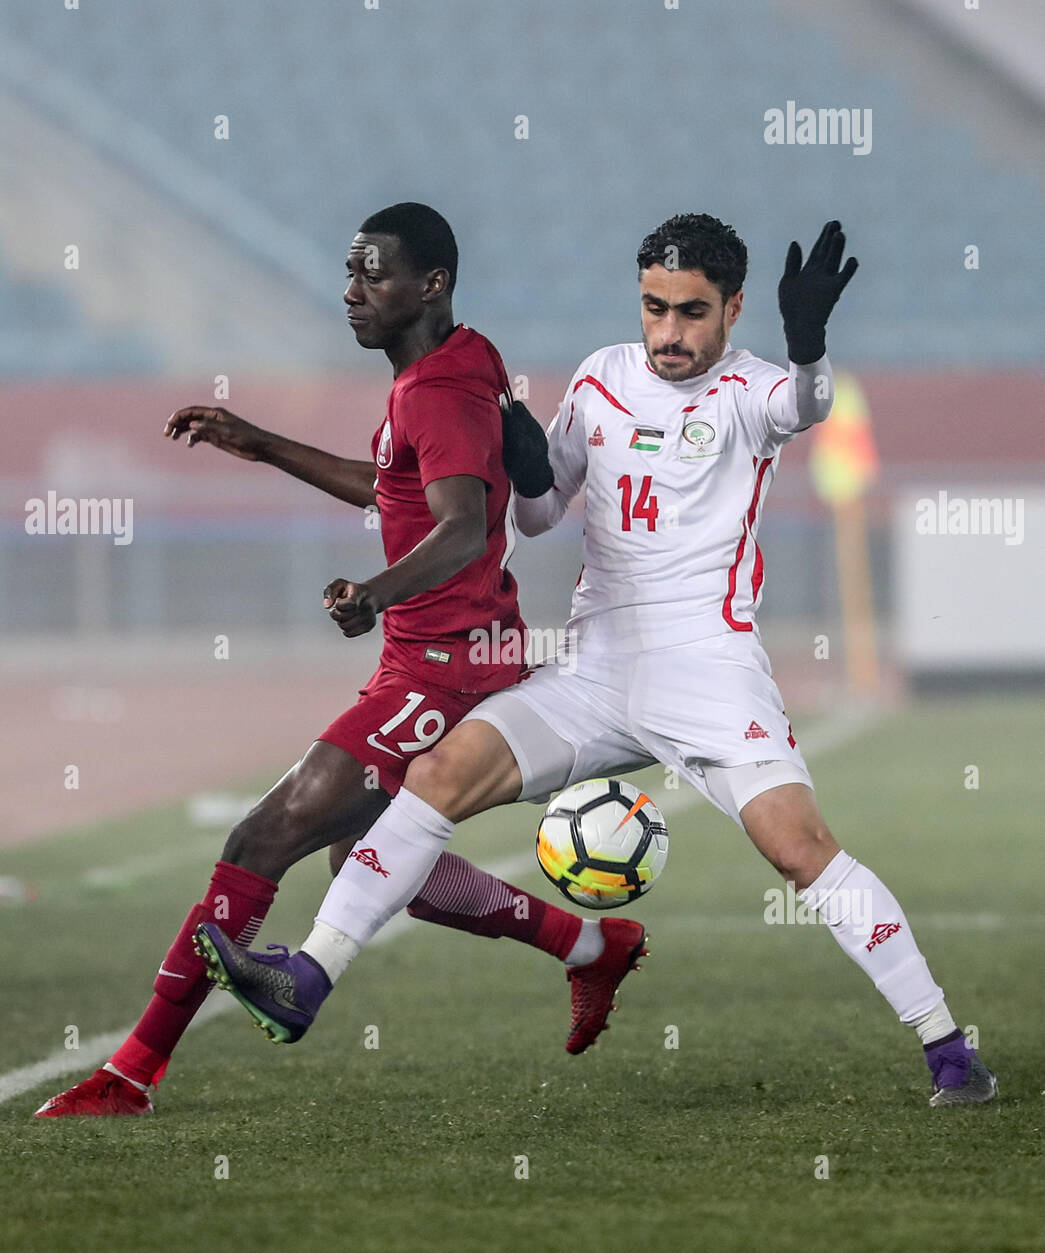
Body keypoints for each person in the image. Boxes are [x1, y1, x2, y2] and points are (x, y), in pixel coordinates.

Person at [199, 215, 996, 1108]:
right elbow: (538, 518)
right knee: (436, 774)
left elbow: (803, 410)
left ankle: (946, 1048)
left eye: (692, 313)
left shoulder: (753, 390)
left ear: (732, 309)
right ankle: (308, 978)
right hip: (595, 667)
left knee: (799, 851)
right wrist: (531, 466)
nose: (669, 333)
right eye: (654, 308)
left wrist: (808, 349)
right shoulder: (602, 377)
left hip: (706, 666)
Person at [35, 203, 642, 1118]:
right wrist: (262, 444)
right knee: (371, 857)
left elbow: (462, 525)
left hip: (443, 668)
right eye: (350, 273)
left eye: (373, 276)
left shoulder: (435, 389)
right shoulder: (459, 360)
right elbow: (404, 485)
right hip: (444, 652)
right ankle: (595, 948)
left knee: (262, 839)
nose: (351, 293)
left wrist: (374, 592)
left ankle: (130, 1072)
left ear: (430, 284)